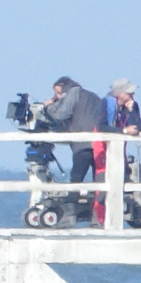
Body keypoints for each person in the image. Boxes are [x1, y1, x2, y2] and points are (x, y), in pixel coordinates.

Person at [44, 78, 105, 220]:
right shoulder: (93, 96)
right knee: (100, 181)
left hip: (83, 144)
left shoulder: (73, 92)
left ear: (63, 87)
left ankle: (69, 214)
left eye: (58, 93)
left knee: (76, 179)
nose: (57, 97)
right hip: (99, 144)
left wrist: (49, 107)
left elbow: (61, 114)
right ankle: (98, 217)